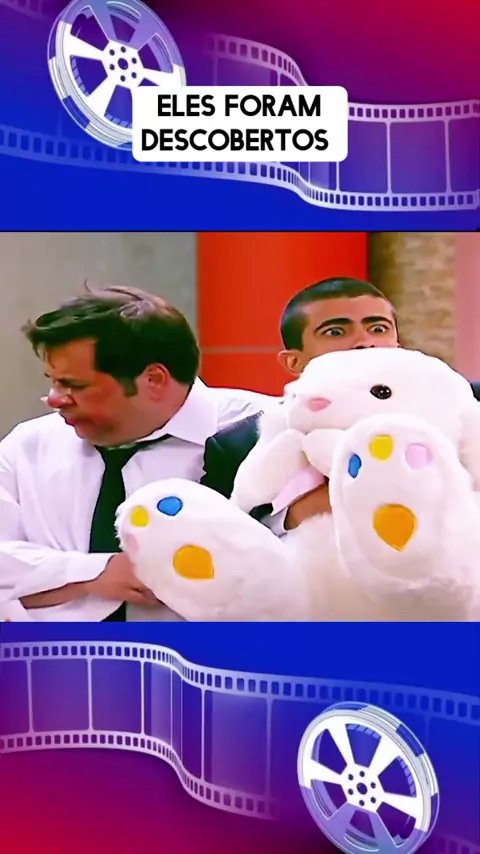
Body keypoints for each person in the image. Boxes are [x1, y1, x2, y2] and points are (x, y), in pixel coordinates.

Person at [0, 285, 275, 622]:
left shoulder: (265, 433)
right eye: (53, 381)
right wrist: (94, 574)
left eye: (75, 386)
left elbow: (306, 569)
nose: (55, 400)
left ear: (153, 379)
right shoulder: (28, 446)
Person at [202, 276, 480, 530]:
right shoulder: (238, 445)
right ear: (293, 361)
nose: (365, 342)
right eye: (335, 332)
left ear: (398, 344)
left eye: (378, 328)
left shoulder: (463, 405)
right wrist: (294, 517)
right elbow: (219, 539)